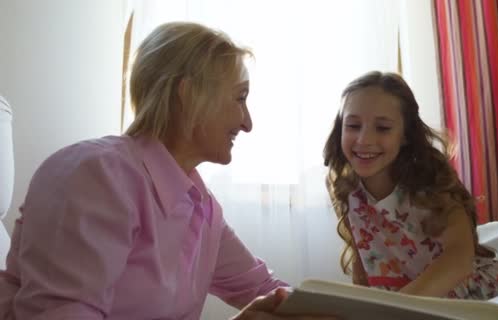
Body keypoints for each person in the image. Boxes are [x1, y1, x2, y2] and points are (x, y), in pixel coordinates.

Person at [0, 22, 335, 320]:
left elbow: (262, 287)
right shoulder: (96, 175)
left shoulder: (201, 205)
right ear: (187, 95)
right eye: (239, 98)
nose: (247, 123)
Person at [323, 71, 498, 299]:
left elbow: (459, 258)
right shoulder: (343, 186)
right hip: (401, 304)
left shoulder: (430, 180)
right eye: (352, 125)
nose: (364, 140)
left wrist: (395, 310)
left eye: (382, 128)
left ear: (406, 135)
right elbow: (362, 263)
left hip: (472, 297)